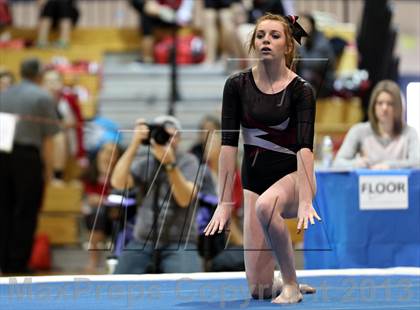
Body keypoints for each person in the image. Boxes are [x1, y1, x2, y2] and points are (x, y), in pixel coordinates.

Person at [204, 14, 320, 304]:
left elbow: (305, 149)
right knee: (259, 290)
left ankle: (291, 284)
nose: (266, 40)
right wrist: (223, 203)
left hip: (294, 178)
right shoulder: (236, 86)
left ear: (287, 47)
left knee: (268, 207)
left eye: (274, 35)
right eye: (260, 35)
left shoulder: (301, 90)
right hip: (255, 182)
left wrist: (306, 199)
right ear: (253, 43)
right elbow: (228, 147)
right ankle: (279, 280)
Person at [111, 115, 213, 273]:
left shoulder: (189, 162)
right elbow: (117, 182)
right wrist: (134, 144)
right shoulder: (146, 162)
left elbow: (184, 199)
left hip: (180, 242)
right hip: (143, 240)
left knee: (189, 287)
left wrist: (170, 165)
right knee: (118, 286)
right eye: (164, 136)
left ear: (179, 139)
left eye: (172, 136)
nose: (168, 141)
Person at [0, 58, 60, 274]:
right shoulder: (42, 97)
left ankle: (3, 261)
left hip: (2, 156)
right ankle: (17, 264)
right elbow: (49, 139)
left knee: (4, 209)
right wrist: (49, 171)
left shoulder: (4, 94)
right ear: (39, 74)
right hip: (27, 158)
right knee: (26, 211)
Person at [333, 80, 420, 169]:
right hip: (366, 182)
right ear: (373, 106)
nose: (384, 108)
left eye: (390, 103)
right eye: (380, 103)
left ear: (398, 107)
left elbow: (417, 163)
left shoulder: (409, 132)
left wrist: (389, 166)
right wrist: (356, 163)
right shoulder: (359, 131)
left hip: (400, 182)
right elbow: (338, 163)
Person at [129, 0, 194, 63]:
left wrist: (172, 15)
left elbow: (185, 15)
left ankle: (151, 57)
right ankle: (147, 58)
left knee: (148, 15)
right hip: (159, 14)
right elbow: (149, 6)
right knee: (146, 17)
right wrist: (160, 11)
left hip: (176, 17)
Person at [296, 14, 336, 98]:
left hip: (324, 83)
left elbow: (314, 64)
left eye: (305, 24)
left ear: (312, 26)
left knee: (305, 74)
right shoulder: (301, 40)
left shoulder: (321, 41)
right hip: (308, 80)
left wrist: (301, 47)